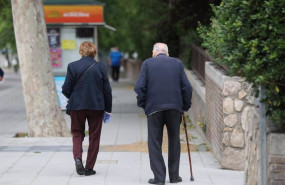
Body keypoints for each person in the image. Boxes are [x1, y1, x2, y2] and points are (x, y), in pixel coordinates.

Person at [134, 43, 193, 185]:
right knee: (174, 141)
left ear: (154, 53)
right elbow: (187, 88)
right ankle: (174, 177)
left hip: (154, 108)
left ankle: (159, 178)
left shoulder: (147, 64)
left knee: (154, 142)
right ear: (167, 53)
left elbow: (139, 87)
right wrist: (184, 106)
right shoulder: (177, 64)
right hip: (175, 108)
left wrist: (143, 104)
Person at [62, 41, 112, 176]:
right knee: (94, 136)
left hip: (77, 106)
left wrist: (73, 96)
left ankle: (78, 158)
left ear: (81, 51)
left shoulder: (72, 66)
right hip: (96, 106)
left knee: (77, 133)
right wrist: (108, 109)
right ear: (94, 52)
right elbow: (107, 90)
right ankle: (89, 167)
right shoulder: (100, 67)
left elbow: (65, 89)